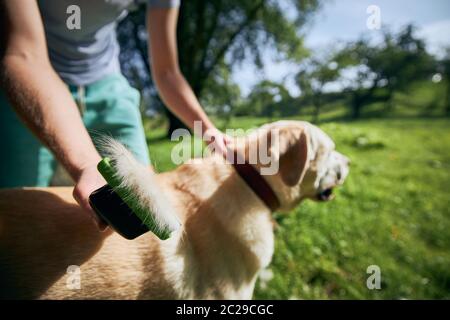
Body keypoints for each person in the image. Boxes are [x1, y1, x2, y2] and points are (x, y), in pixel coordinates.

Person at [0, 0, 229, 229]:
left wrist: (207, 129)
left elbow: (167, 72)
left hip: (108, 88)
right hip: (32, 85)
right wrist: (87, 164)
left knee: (145, 211)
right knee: (17, 221)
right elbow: (23, 54)